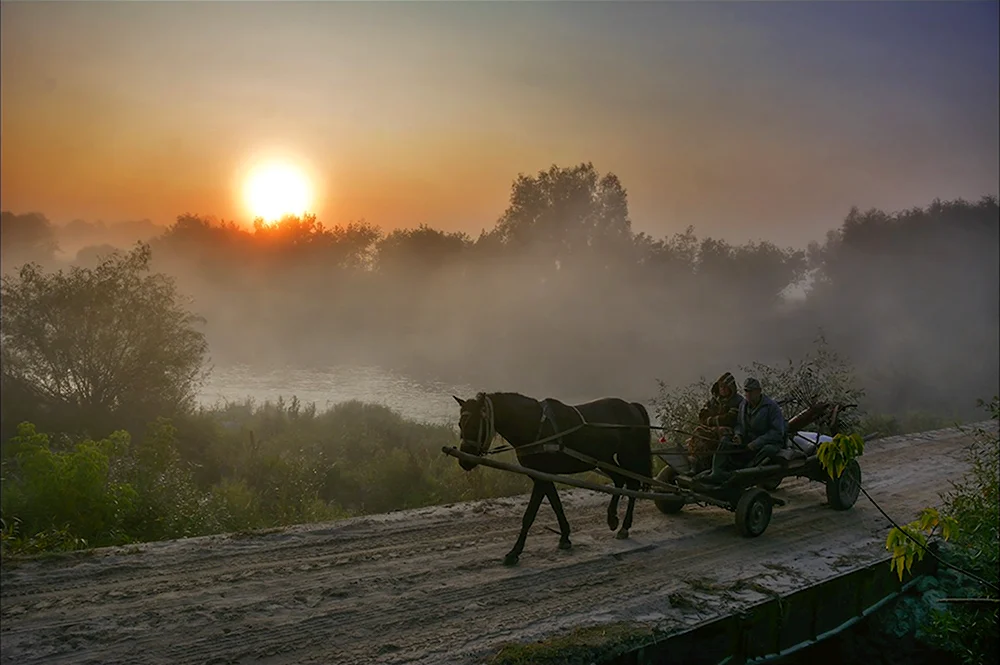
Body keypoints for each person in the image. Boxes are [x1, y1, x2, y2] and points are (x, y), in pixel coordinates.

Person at [699, 377, 787, 484]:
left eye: (751, 391)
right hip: (748, 440)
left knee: (769, 450)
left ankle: (747, 470)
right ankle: (717, 472)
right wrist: (738, 435)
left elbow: (777, 432)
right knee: (726, 439)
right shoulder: (743, 405)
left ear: (759, 391)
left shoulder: (771, 407)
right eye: (746, 391)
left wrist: (756, 443)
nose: (748, 394)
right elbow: (739, 425)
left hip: (767, 442)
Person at [687, 372, 744, 473]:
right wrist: (712, 421)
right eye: (721, 387)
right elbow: (702, 415)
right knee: (698, 431)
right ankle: (696, 461)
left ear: (731, 387)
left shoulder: (737, 401)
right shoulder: (714, 400)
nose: (722, 389)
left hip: (731, 430)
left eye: (725, 387)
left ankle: (716, 467)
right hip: (712, 428)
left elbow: (729, 419)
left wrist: (711, 420)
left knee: (722, 433)